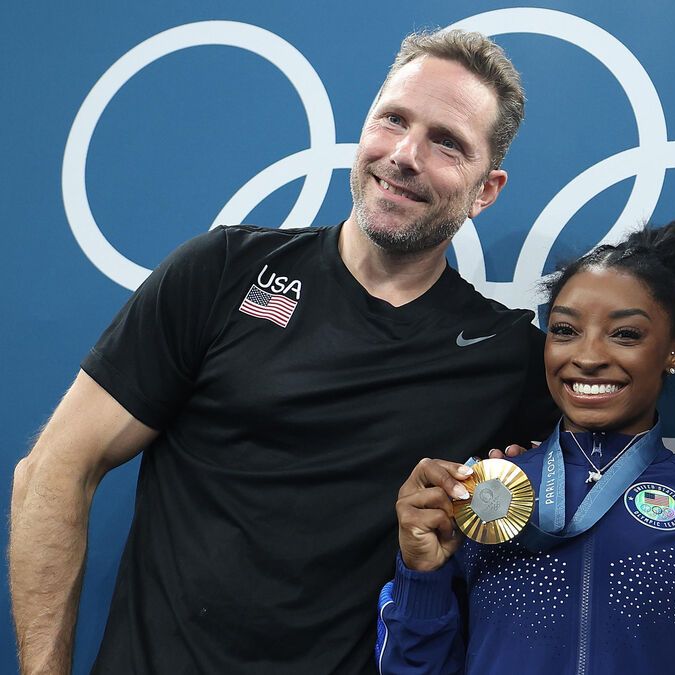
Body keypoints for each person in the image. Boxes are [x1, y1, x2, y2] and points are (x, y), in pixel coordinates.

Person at [9, 29, 557, 674]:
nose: (405, 155)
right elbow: (52, 470)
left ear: (485, 190)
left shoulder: (507, 355)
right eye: (393, 120)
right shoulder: (219, 274)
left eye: (446, 143)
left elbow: (608, 483)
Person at [375, 222, 675, 674]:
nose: (588, 356)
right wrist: (421, 576)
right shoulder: (481, 495)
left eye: (625, 334)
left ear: (674, 352)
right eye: (565, 330)